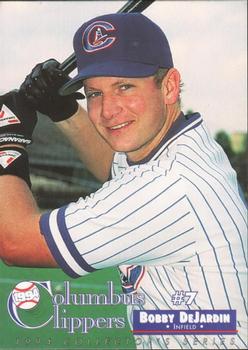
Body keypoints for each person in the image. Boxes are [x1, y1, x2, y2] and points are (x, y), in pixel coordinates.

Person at [0, 13, 247, 349]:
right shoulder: (181, 146)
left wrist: (7, 141)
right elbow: (112, 168)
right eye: (94, 94)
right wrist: (60, 109)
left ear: (170, 86)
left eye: (125, 87)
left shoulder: (169, 184)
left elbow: (16, 242)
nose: (107, 110)